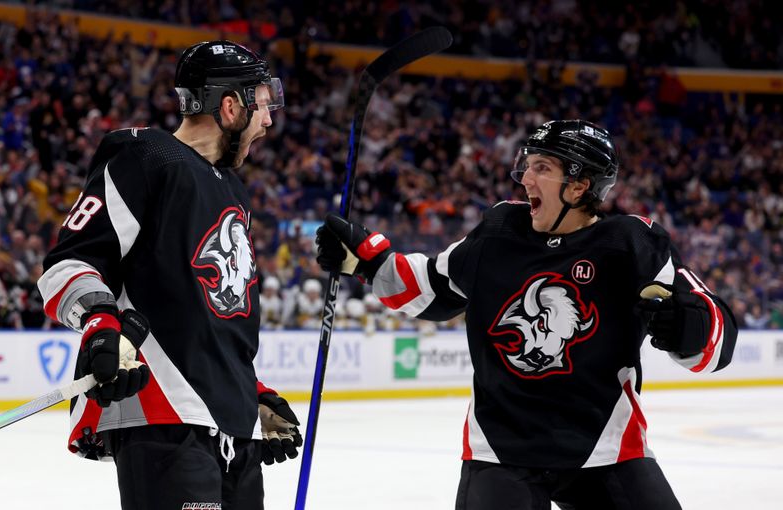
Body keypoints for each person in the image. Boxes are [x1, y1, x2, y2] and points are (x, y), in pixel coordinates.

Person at [316, 120, 737, 510]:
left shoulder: (632, 243)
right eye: (528, 165)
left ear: (579, 186)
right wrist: (368, 261)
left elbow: (715, 340)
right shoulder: (500, 232)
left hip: (604, 446)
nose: (526, 179)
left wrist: (688, 326)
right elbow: (434, 288)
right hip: (502, 447)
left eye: (542, 168)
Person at [38, 40, 301, 510]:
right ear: (229, 106)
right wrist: (101, 323)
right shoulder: (145, 157)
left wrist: (252, 392)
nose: (268, 121)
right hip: (163, 413)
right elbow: (68, 263)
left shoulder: (232, 190)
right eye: (262, 106)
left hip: (233, 427)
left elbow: (208, 313)